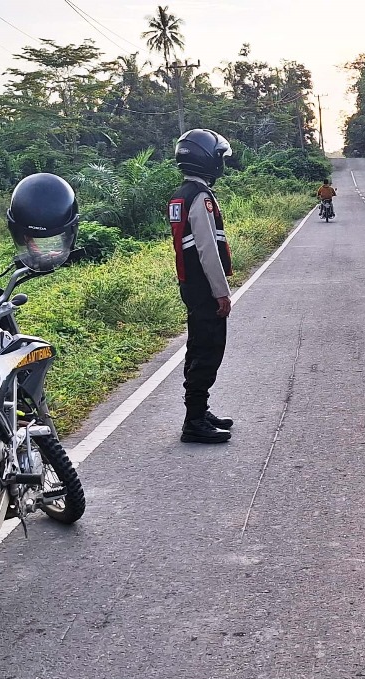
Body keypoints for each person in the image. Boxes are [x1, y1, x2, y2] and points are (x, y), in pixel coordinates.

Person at [169, 129, 236, 444]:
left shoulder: (182, 195)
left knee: (197, 347)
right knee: (208, 350)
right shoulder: (201, 198)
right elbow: (208, 249)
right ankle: (194, 421)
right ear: (208, 159)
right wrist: (221, 292)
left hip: (191, 285)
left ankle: (198, 410)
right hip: (205, 287)